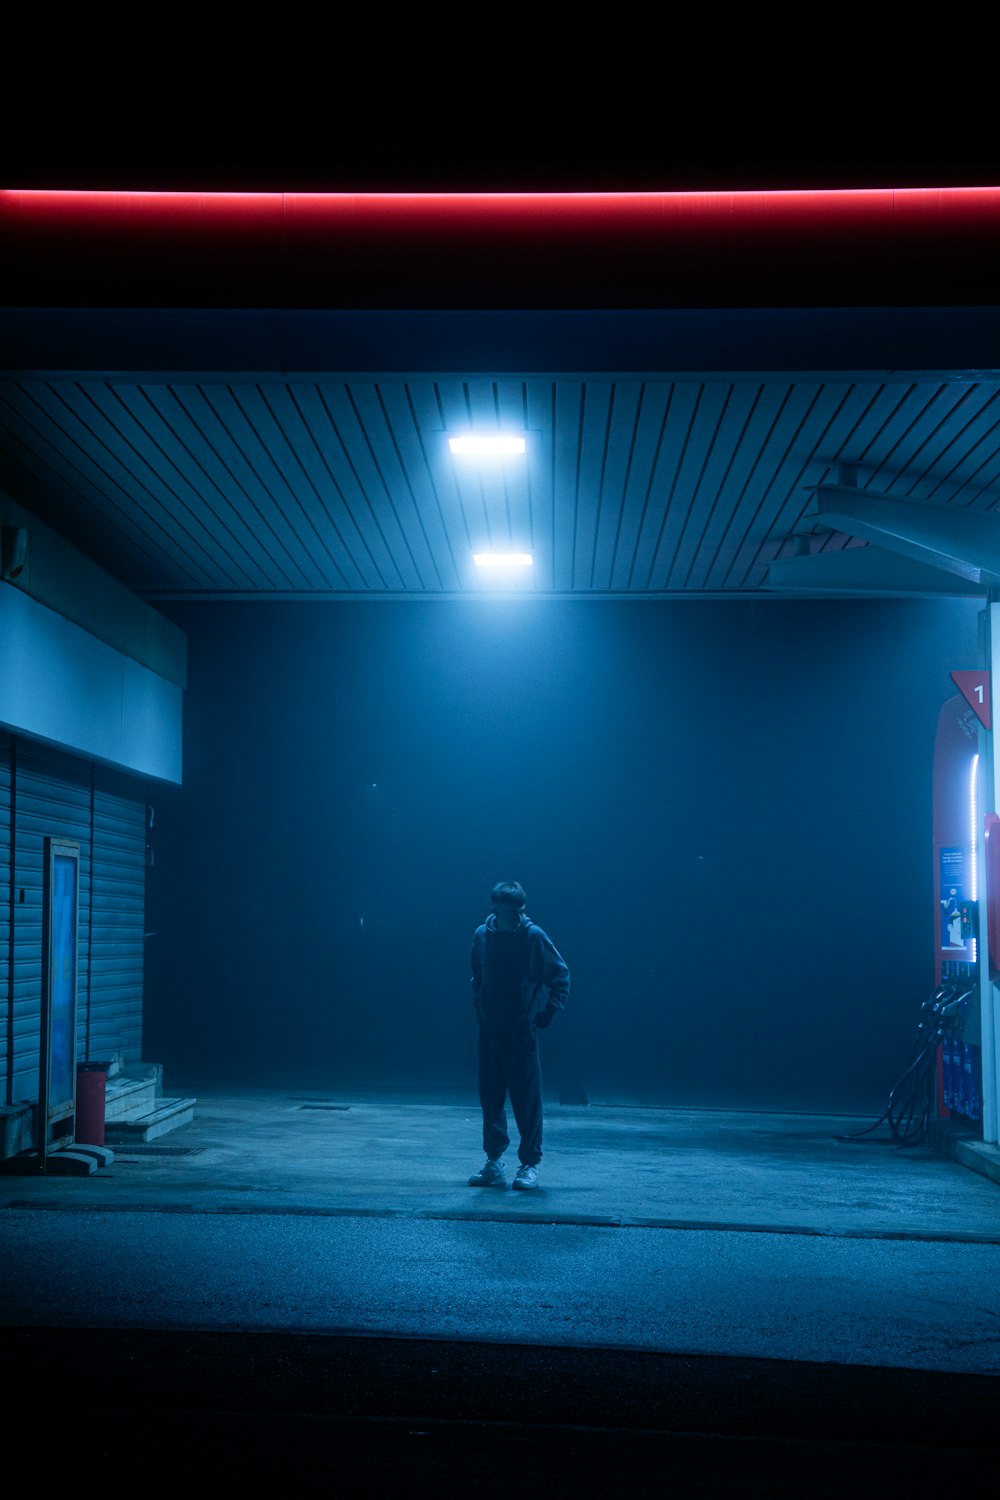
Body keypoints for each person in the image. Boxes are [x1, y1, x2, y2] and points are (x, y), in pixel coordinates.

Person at [468, 879, 570, 1191]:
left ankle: (529, 1165)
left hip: (520, 1033)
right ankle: (494, 1162)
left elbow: (561, 975)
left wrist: (546, 1013)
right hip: (490, 1033)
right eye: (512, 911)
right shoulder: (482, 936)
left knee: (527, 1102)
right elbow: (477, 977)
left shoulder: (533, 936)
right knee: (491, 1099)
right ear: (496, 908)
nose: (519, 916)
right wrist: (482, 1009)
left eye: (521, 910)